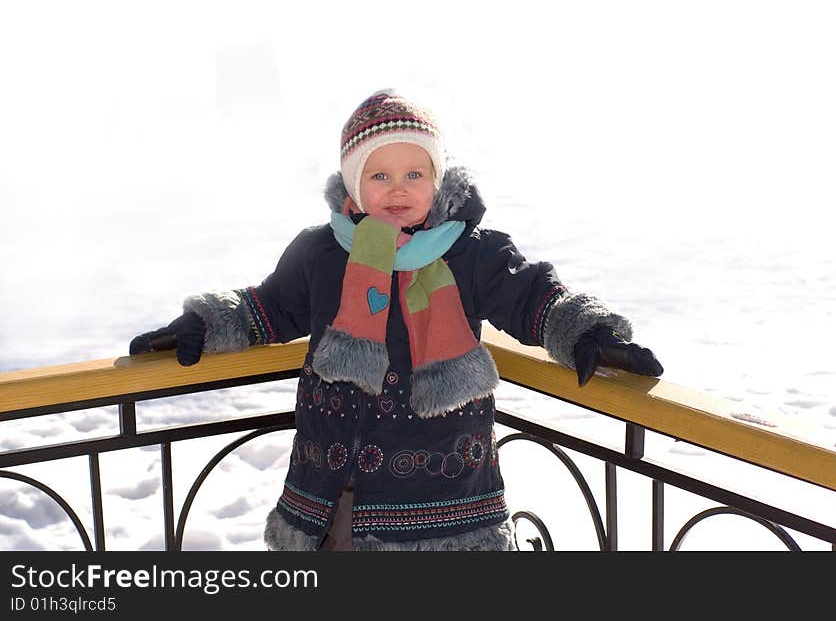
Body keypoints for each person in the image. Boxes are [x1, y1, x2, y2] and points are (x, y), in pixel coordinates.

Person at [129, 88, 664, 551]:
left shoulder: (472, 254)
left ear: (438, 178)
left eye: (414, 172)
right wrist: (205, 321)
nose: (399, 189)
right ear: (353, 185)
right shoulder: (323, 252)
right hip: (331, 495)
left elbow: (533, 299)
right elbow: (269, 307)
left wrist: (588, 331)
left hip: (444, 502)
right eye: (379, 174)